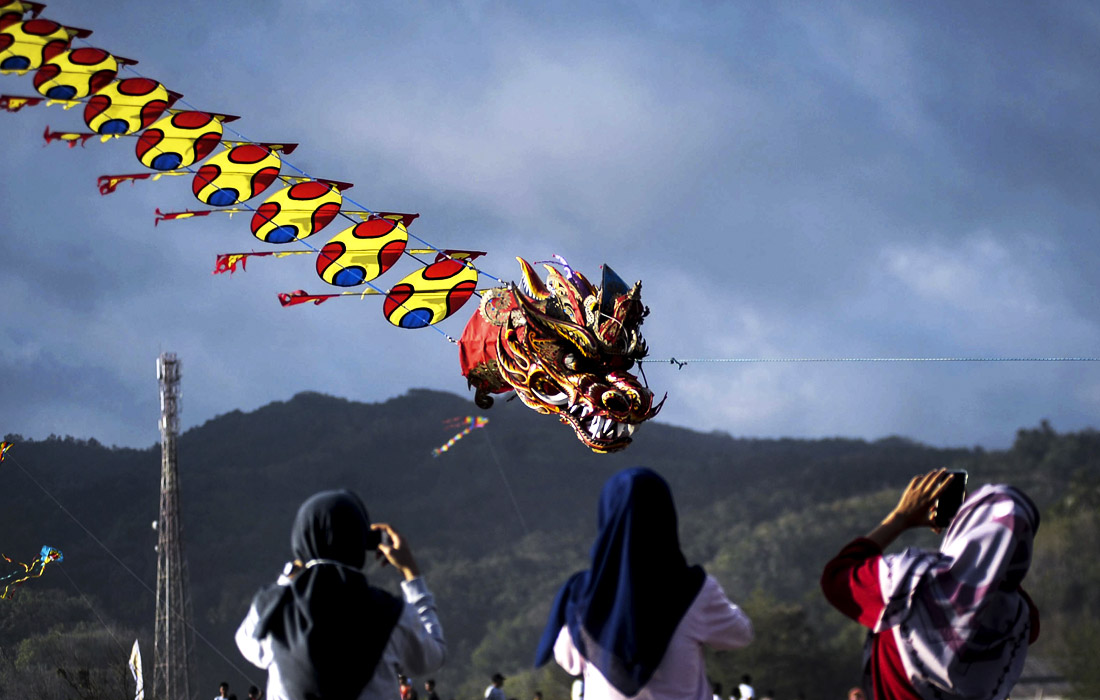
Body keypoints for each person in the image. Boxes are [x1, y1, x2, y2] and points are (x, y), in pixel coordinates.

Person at [534, 467, 754, 700]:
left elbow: (568, 661)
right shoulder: (696, 591)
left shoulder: (581, 594)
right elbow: (740, 635)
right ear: (666, 518)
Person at [821, 470, 1041, 700]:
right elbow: (995, 576)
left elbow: (838, 579)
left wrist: (900, 518)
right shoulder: (1019, 617)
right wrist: (994, 551)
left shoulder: (907, 587)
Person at [235, 489, 446, 700]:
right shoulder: (391, 613)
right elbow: (433, 656)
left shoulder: (271, 609)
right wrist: (411, 573)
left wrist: (291, 574)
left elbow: (246, 643)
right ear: (361, 542)